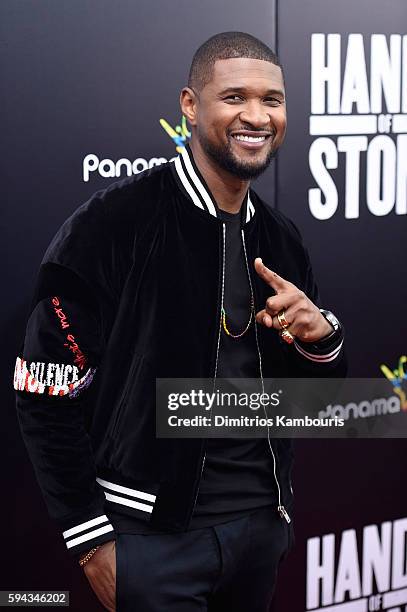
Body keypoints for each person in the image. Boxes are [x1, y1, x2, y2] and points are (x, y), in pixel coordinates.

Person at [14, 31, 346, 612]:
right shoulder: (110, 225)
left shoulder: (282, 237)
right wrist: (93, 544)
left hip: (259, 533)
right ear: (190, 105)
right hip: (151, 543)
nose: (256, 115)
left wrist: (322, 340)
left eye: (272, 100)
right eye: (234, 97)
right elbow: (43, 395)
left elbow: (314, 401)